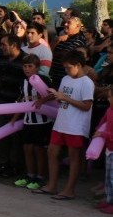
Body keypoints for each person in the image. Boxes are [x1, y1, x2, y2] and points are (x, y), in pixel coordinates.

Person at [33, 50, 93, 200]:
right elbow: (60, 98)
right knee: (52, 152)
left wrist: (65, 98)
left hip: (76, 126)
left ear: (78, 65)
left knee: (74, 157)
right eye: (65, 67)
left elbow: (86, 106)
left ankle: (69, 190)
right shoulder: (66, 79)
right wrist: (45, 99)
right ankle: (52, 186)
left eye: (68, 67)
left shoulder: (87, 82)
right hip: (61, 123)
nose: (66, 70)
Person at [0, 34, 27, 177]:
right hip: (1, 102)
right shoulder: (2, 58)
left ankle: (15, 166)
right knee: (0, 134)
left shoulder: (25, 60)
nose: (1, 47)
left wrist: (20, 102)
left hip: (17, 105)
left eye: (3, 44)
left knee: (15, 137)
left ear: (13, 45)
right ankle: (2, 163)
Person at [11, 54, 53, 191]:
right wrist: (14, 118)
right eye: (25, 66)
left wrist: (42, 100)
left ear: (37, 67)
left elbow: (53, 94)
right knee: (27, 148)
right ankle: (30, 175)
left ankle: (40, 177)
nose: (27, 69)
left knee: (39, 149)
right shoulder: (22, 82)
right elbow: (22, 101)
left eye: (30, 66)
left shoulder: (44, 79)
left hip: (42, 121)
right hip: (28, 120)